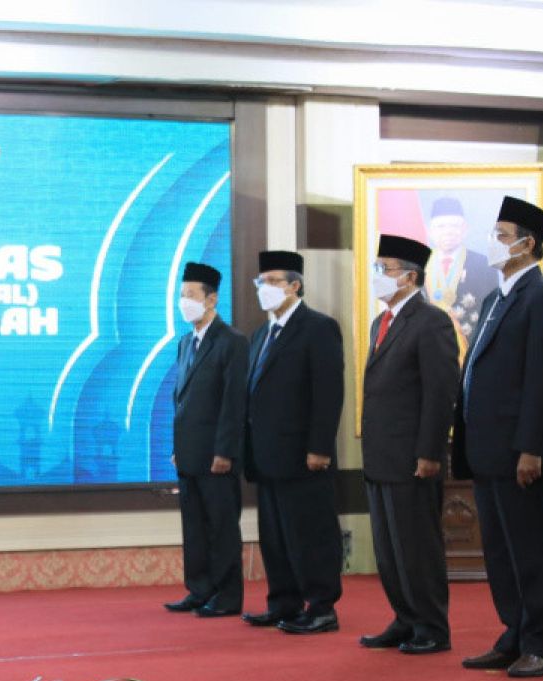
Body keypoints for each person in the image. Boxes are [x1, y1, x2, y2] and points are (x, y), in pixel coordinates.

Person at [451, 196, 543, 678]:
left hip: (519, 451)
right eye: (494, 234)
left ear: (528, 245)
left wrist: (531, 449)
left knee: (531, 550)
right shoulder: (493, 298)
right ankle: (514, 633)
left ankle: (542, 644)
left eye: (502, 236)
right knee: (501, 553)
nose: (494, 243)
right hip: (486, 451)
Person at [360, 235, 459, 654]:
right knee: (388, 548)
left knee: (417, 546)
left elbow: (440, 393)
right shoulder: (379, 323)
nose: (378, 276)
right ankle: (405, 617)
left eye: (385, 269)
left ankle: (432, 626)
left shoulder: (430, 321)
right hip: (381, 455)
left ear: (410, 276)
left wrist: (429, 453)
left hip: (412, 457)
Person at [242, 250, 345, 634]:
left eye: (271, 282)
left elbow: (328, 393)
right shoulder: (261, 334)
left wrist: (319, 447)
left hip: (303, 454)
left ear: (294, 285)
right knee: (276, 536)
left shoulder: (318, 327)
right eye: (260, 282)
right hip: (266, 455)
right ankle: (283, 602)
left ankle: (321, 606)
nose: (263, 289)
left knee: (310, 533)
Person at [164, 261, 249, 617]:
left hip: (217, 454)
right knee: (195, 526)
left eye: (191, 296)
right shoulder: (186, 342)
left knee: (221, 526)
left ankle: (228, 597)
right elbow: (181, 400)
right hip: (189, 452)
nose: (184, 302)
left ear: (211, 299)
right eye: (181, 296)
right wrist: (177, 449)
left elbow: (234, 402)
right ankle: (199, 590)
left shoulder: (232, 342)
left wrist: (225, 450)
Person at [424, 197, 497, 348]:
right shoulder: (419, 265)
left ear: (465, 229)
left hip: (470, 350)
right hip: (427, 350)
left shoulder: (483, 265)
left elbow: (491, 313)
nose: (448, 232)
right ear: (430, 231)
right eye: (441, 226)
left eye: (454, 226)